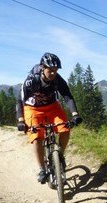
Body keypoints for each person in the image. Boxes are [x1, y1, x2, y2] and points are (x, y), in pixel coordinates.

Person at [16, 53, 82, 184]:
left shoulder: (58, 80)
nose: (53, 73)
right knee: (36, 136)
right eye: (50, 70)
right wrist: (21, 120)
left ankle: (60, 157)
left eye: (55, 71)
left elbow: (67, 96)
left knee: (64, 129)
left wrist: (75, 114)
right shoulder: (32, 80)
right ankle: (41, 169)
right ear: (42, 67)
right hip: (32, 108)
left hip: (52, 106)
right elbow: (19, 100)